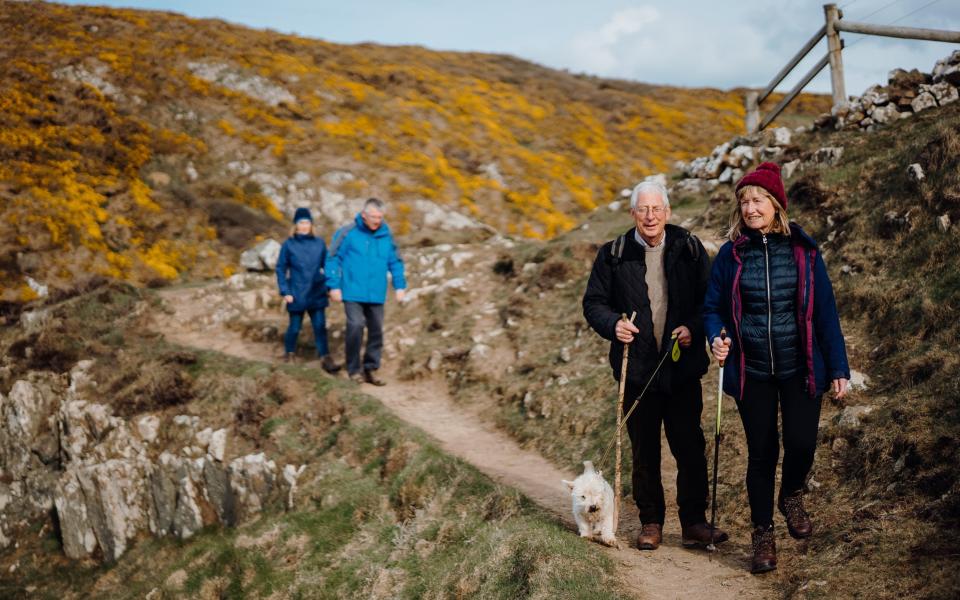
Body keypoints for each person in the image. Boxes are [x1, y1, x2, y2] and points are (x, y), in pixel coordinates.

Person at [703, 162, 849, 574]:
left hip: (800, 367)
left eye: (758, 200)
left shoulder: (805, 251)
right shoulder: (731, 256)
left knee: (802, 445)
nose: (750, 209)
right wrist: (716, 336)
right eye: (744, 201)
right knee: (761, 454)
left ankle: (791, 495)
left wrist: (837, 366)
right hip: (753, 372)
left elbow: (826, 314)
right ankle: (762, 535)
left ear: (775, 204)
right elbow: (712, 308)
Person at [583, 180, 728, 551]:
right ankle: (651, 522)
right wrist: (613, 324)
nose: (650, 216)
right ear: (632, 213)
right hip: (637, 370)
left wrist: (693, 328)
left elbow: (709, 300)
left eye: (656, 209)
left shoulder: (689, 248)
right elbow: (594, 303)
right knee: (644, 450)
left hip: (681, 370)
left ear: (667, 212)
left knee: (690, 447)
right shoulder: (613, 253)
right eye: (643, 209)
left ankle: (694, 522)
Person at [326, 198, 406, 386]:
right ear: (364, 215)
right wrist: (333, 285)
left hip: (376, 292)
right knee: (356, 325)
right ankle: (353, 369)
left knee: (376, 330)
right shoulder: (347, 233)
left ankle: (371, 368)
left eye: (380, 217)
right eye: (373, 217)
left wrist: (399, 286)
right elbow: (332, 258)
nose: (377, 221)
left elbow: (395, 261)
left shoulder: (387, 235)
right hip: (352, 291)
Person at [275, 207, 340, 373]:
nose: (304, 226)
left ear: (311, 225)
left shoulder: (319, 244)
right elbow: (281, 268)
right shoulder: (289, 245)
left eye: (307, 222)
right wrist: (285, 291)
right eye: (301, 222)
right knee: (295, 327)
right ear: (295, 225)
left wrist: (331, 287)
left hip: (317, 291)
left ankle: (325, 358)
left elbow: (327, 266)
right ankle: (289, 355)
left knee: (320, 327)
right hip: (296, 292)